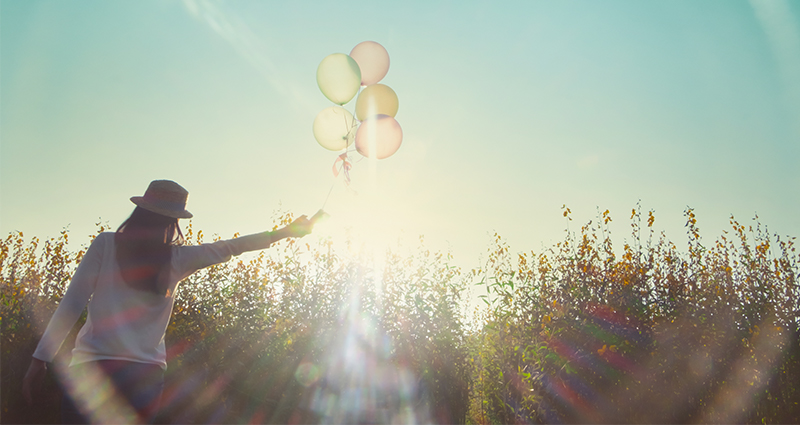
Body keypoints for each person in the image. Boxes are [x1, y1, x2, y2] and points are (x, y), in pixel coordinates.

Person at [22, 180, 317, 423]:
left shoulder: (106, 244)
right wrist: (286, 232)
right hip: (144, 379)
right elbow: (232, 247)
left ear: (139, 211)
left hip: (94, 370)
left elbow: (71, 303)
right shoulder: (178, 259)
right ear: (174, 221)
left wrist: (40, 359)